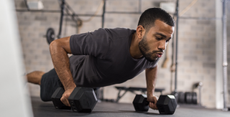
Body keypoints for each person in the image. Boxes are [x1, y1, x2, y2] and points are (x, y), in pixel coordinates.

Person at [27, 8, 174, 110]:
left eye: (167, 40)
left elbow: (152, 66)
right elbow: (56, 45)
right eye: (159, 38)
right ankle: (20, 77)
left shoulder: (152, 53)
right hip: (72, 75)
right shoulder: (107, 40)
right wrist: (70, 86)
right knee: (43, 79)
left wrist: (150, 94)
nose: (163, 46)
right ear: (140, 31)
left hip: (91, 86)